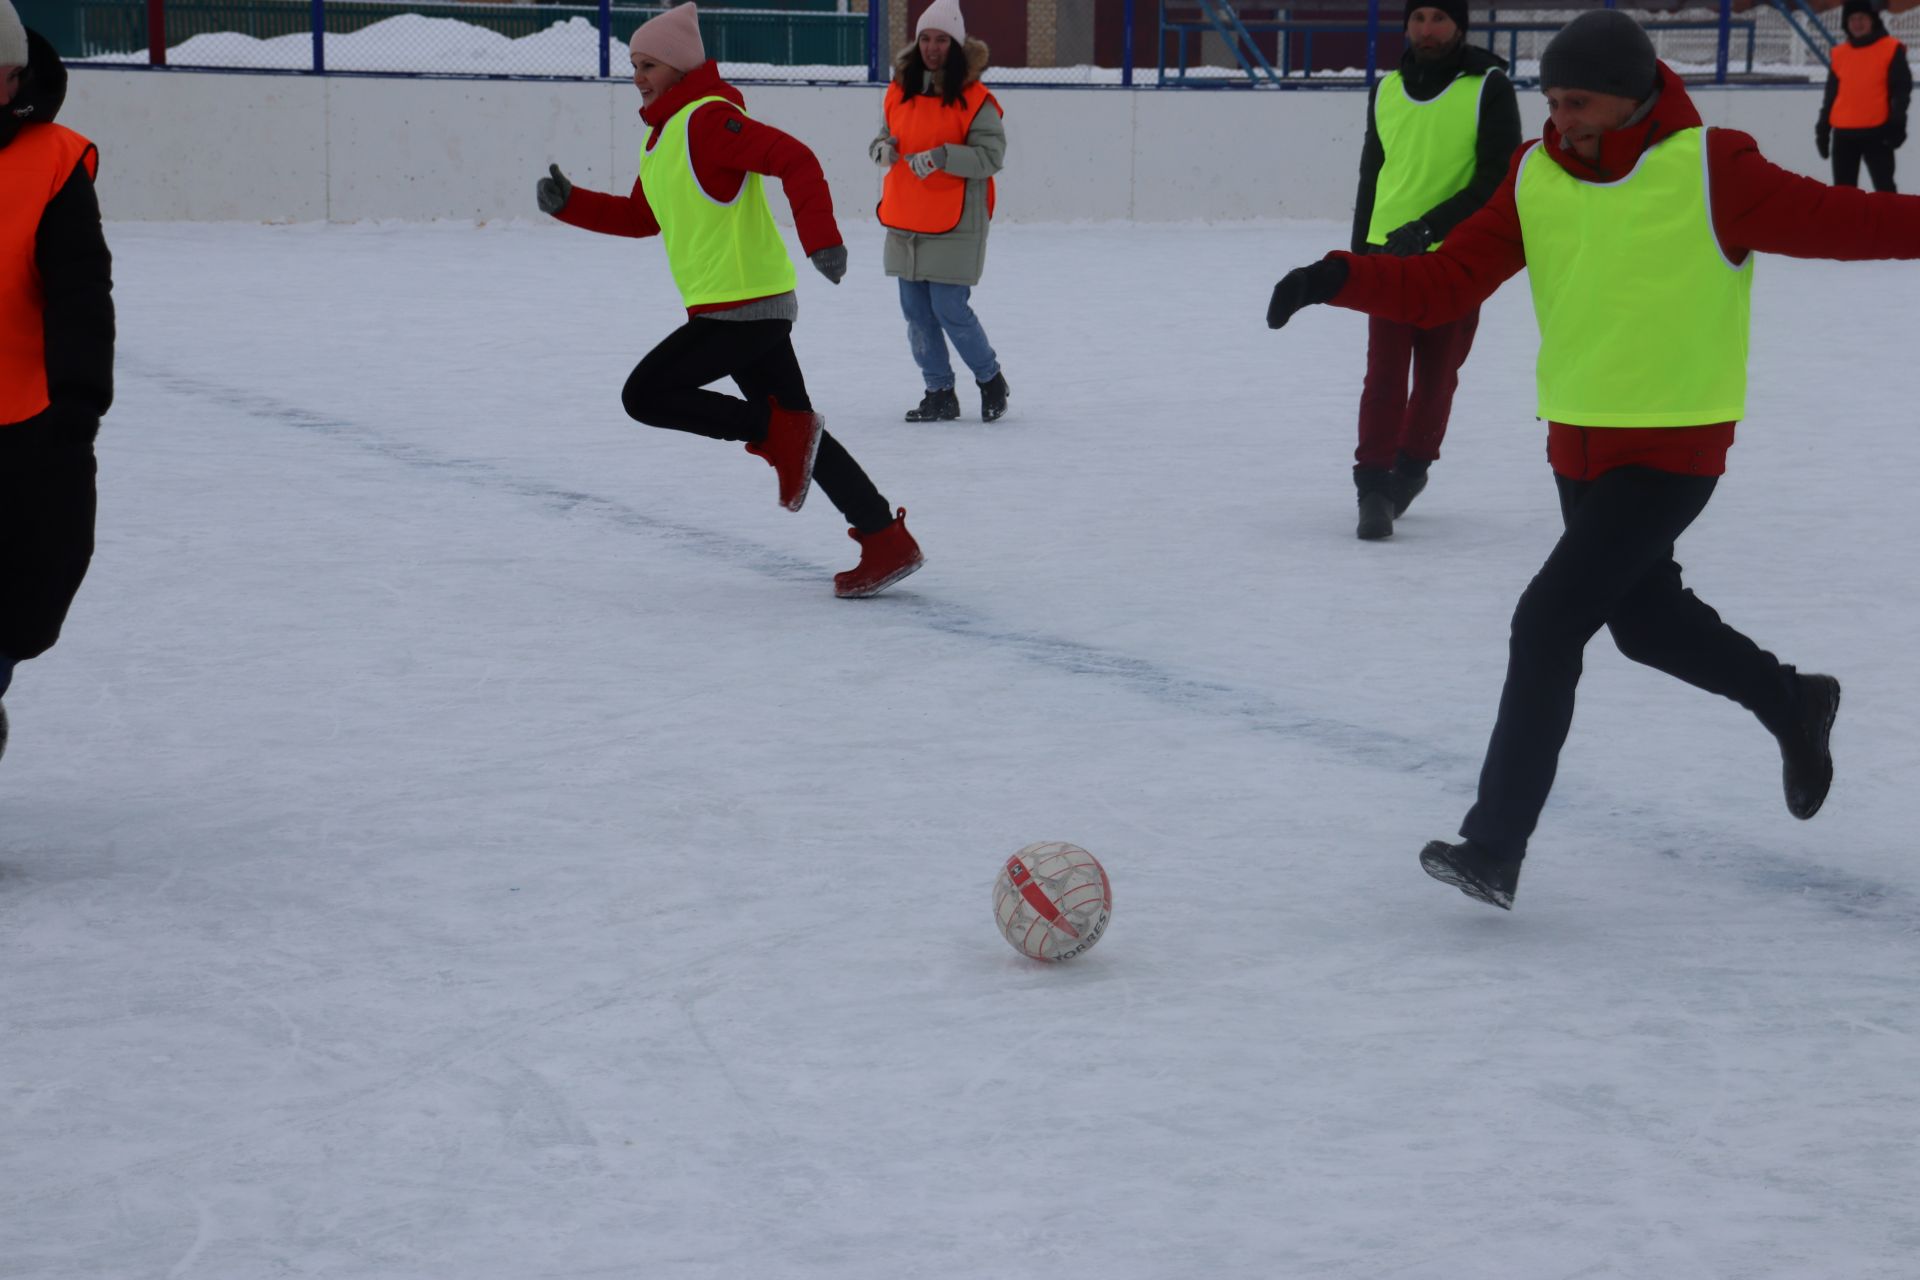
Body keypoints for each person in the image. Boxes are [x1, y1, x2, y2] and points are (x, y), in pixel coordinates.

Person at [1264, 10, 1920, 910]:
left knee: (1546, 623)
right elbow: (1448, 280)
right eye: (1553, 100)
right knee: (1646, 623)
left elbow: (1849, 220)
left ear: (1635, 93)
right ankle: (1792, 701)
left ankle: (1493, 847)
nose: (1562, 118)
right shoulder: (1535, 178)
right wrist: (1343, 276)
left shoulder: (1710, 168)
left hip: (1676, 446)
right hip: (1576, 441)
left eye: (1581, 103)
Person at [537, 3, 922, 599]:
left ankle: (775, 433)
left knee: (646, 395)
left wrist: (821, 239)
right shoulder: (663, 139)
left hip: (745, 307)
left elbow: (794, 159)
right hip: (732, 307)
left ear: (681, 66)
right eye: (634, 64)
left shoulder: (706, 121)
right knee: (803, 428)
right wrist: (572, 204)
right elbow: (642, 218)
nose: (638, 76)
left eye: (650, 65)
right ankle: (883, 538)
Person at [1345, 0, 1518, 540]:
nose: (1427, 29)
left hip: (1456, 255)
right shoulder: (1387, 90)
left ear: (1459, 26)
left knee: (1437, 376)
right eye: (1418, 18)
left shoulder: (1489, 87)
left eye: (1439, 18)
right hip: (1388, 255)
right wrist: (1356, 257)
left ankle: (1412, 468)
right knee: (1385, 374)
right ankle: (1372, 484)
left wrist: (1427, 226)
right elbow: (1373, 172)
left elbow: (1496, 178)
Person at [0, 3, 114, 762]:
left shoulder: (52, 160)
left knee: (25, 600)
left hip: (23, 428)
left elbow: (80, 290)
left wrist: (78, 406)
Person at [870, 0, 1009, 424]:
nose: (932, 47)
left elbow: (991, 156)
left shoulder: (976, 99)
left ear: (957, 44)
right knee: (916, 314)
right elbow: (881, 138)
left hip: (956, 220)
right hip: (905, 218)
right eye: (926, 38)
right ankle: (939, 392)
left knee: (950, 308)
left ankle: (990, 380)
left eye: (942, 40)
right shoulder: (898, 90)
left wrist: (946, 156)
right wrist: (882, 151)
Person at [1816, 0, 1909, 193]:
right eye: (1852, 19)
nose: (1857, 23)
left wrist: (1897, 123)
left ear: (1872, 20)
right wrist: (1823, 129)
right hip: (1843, 135)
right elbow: (1831, 96)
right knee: (1844, 194)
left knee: (1885, 192)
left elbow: (1901, 91)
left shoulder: (1890, 49)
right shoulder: (1840, 54)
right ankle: (1847, 225)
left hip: (1878, 133)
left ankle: (1890, 224)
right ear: (1846, 23)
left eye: (1862, 18)